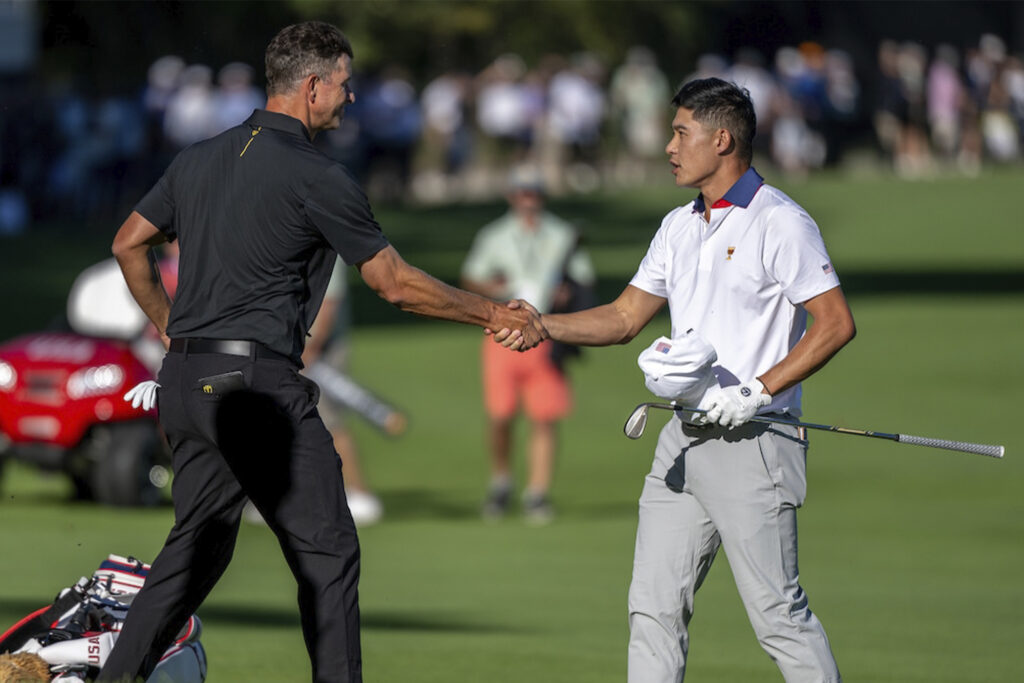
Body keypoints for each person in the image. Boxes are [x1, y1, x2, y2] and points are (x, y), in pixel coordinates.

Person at [99, 21, 544, 683]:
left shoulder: (199, 157)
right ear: (312, 87)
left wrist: (169, 328)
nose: (351, 97)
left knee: (194, 553)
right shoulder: (318, 175)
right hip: (253, 385)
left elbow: (127, 243)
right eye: (344, 83)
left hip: (187, 382)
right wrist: (492, 312)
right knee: (328, 550)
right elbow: (393, 282)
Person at [500, 78, 855, 682]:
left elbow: (835, 324)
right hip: (682, 442)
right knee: (653, 608)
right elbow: (622, 318)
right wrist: (542, 324)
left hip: (756, 444)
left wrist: (757, 391)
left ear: (722, 140)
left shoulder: (780, 222)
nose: (668, 145)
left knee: (778, 617)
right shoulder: (678, 225)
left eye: (680, 132)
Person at [460, 166, 595, 523]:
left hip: (546, 334)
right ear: (512, 195)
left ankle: (537, 492)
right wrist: (496, 288)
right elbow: (471, 277)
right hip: (501, 334)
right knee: (501, 415)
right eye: (522, 192)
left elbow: (583, 279)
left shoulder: (562, 234)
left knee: (545, 417)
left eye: (533, 192)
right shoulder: (495, 235)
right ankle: (501, 480)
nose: (528, 199)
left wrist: (567, 292)